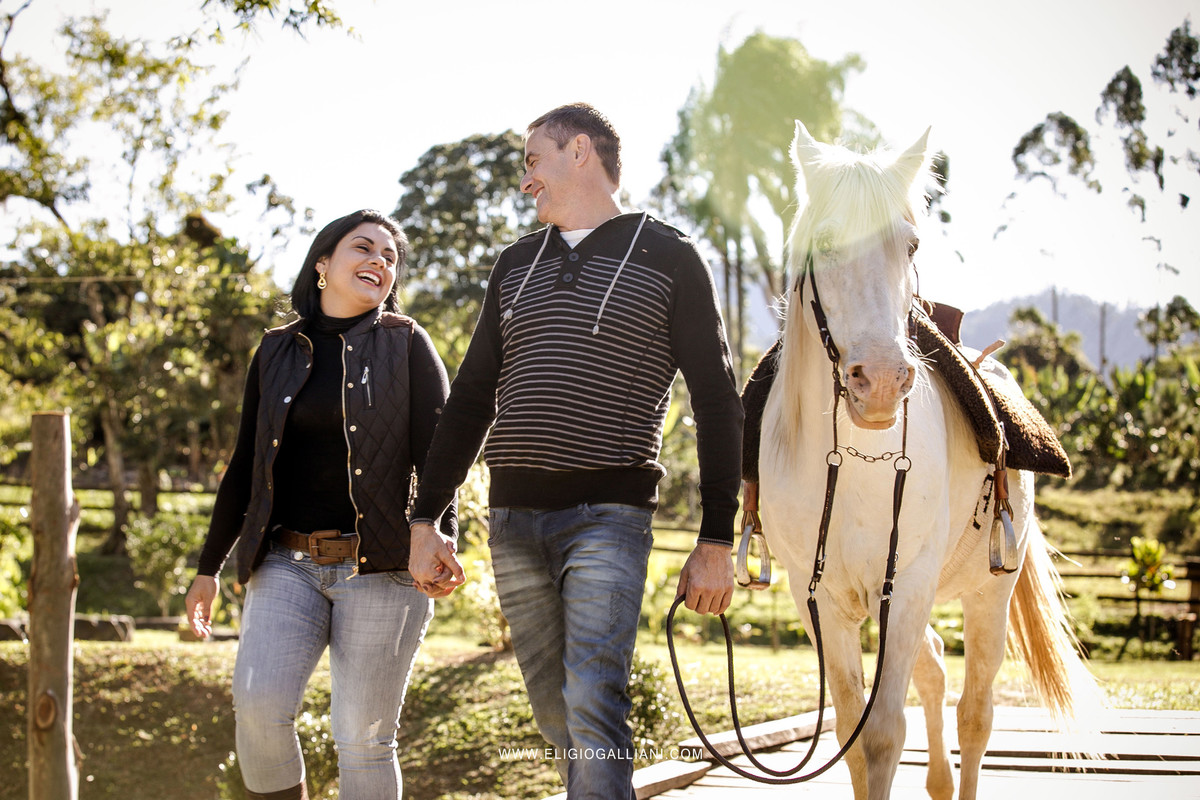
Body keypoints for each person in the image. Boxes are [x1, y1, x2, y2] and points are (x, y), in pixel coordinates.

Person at [406, 103, 743, 799]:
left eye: (534, 160)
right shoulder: (515, 264)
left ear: (579, 151)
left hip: (608, 515)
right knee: (557, 710)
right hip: (512, 519)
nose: (526, 179)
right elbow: (471, 397)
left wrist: (717, 536)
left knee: (593, 700)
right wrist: (426, 518)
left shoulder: (670, 256)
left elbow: (716, 397)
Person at [183, 209, 458, 800]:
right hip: (286, 562)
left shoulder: (406, 344)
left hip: (383, 567)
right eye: (365, 248)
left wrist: (433, 534)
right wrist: (208, 567)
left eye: (390, 258)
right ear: (323, 263)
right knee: (257, 709)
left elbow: (441, 455)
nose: (380, 263)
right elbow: (245, 465)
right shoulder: (276, 351)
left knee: (362, 738)